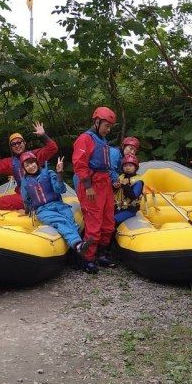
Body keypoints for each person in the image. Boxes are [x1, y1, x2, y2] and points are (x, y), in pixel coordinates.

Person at [19, 152, 90, 261]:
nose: (31, 166)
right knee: (62, 222)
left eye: (32, 163)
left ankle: (77, 253)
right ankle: (78, 245)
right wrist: (27, 210)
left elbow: (60, 189)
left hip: (58, 205)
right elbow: (26, 199)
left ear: (37, 163)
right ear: (24, 168)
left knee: (72, 223)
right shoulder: (25, 182)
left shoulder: (48, 173)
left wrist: (59, 173)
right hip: (43, 210)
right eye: (27, 165)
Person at [72, 106, 119, 272]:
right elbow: (79, 164)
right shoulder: (85, 139)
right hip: (91, 185)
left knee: (108, 221)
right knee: (94, 223)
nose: (109, 129)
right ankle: (86, 258)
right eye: (107, 126)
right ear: (97, 122)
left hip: (104, 182)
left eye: (110, 127)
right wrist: (88, 186)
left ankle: (101, 255)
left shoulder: (102, 139)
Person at [0, 122, 59, 211]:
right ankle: (30, 206)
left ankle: (37, 205)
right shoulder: (10, 162)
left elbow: (53, 148)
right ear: (11, 148)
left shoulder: (35, 154)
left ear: (24, 143)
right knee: (2, 201)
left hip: (42, 191)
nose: (17, 145)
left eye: (19, 142)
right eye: (14, 144)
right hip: (25, 195)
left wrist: (43, 135)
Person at [114, 154, 145, 226]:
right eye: (125, 166)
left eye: (130, 166)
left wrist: (125, 185)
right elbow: (115, 192)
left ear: (135, 167)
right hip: (118, 207)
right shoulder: (121, 177)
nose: (127, 168)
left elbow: (133, 196)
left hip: (131, 209)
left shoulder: (138, 181)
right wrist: (115, 187)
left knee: (113, 220)